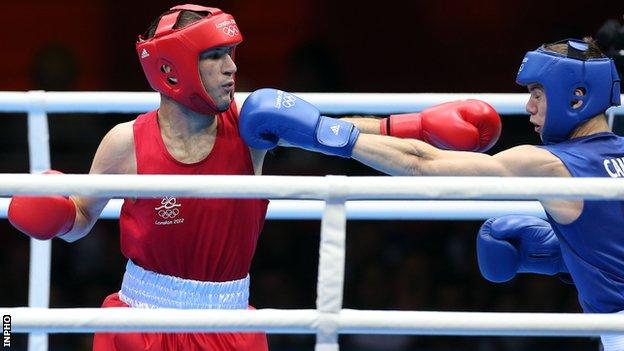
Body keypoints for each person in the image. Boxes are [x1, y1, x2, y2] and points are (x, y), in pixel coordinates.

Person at [6, 4, 503, 351]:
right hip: (138, 318)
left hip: (229, 319)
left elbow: (341, 132)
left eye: (232, 54)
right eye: (215, 57)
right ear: (172, 68)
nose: (231, 69)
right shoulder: (124, 144)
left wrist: (417, 126)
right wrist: (52, 212)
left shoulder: (251, 126)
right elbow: (80, 219)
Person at [238, 37, 623, 350]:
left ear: (575, 98)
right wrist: (572, 255)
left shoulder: (551, 166)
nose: (527, 106)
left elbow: (421, 164)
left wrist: (322, 133)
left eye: (538, 94)